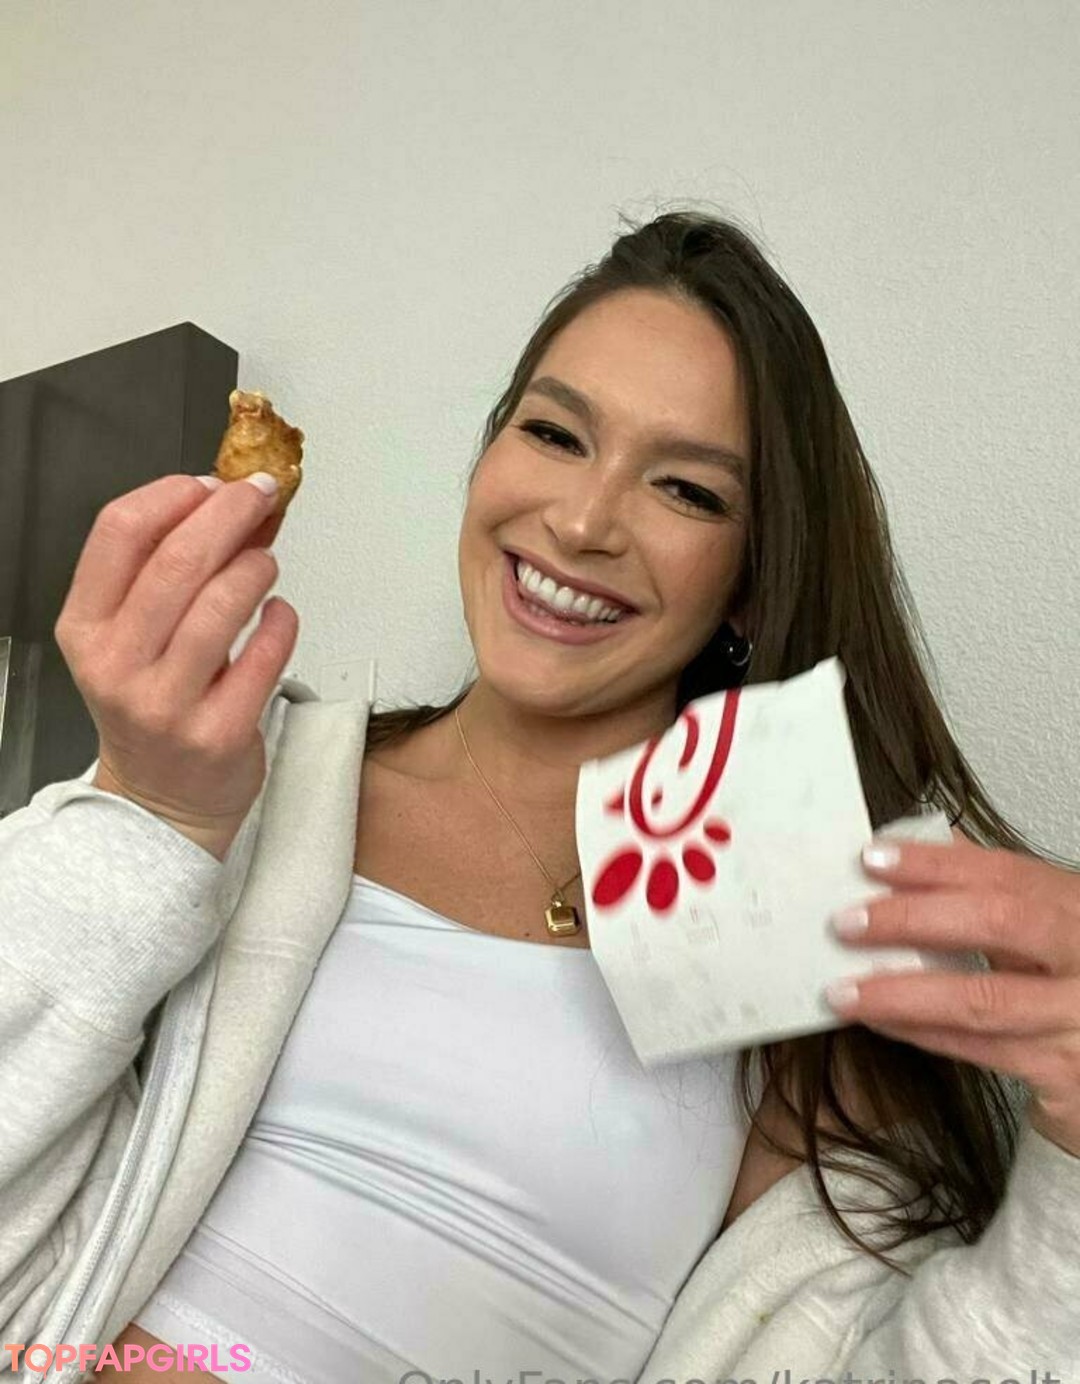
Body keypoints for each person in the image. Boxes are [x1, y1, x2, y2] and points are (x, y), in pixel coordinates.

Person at [2, 209, 1078, 1384]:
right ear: (487, 455)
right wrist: (148, 819)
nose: (581, 521)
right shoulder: (240, 784)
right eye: (556, 433)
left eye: (688, 490)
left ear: (748, 580)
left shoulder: (797, 933)